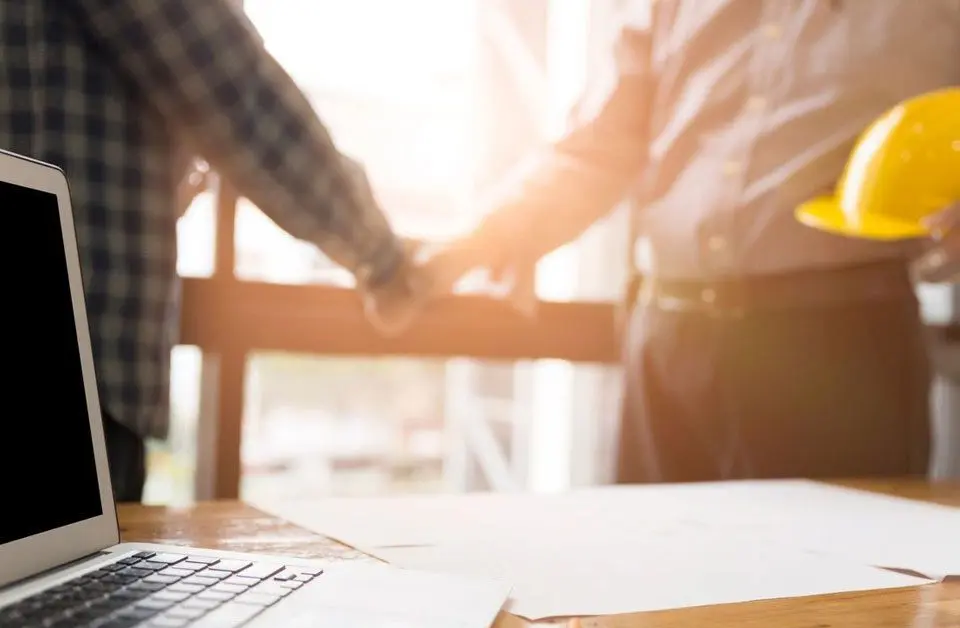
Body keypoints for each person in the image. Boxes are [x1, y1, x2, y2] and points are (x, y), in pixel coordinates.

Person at [431, 1, 960, 483]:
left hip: (843, 345)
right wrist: (479, 242)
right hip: (665, 340)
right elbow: (597, 148)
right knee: (652, 578)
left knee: (843, 582)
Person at [0, 0, 431, 502]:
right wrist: (380, 253)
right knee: (70, 574)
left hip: (75, 363)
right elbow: (234, 90)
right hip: (73, 367)